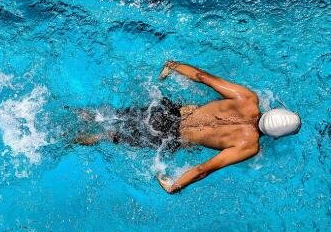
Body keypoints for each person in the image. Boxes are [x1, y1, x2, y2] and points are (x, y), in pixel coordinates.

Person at [74, 60, 301, 193]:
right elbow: (204, 169)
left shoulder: (247, 99)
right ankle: (70, 139)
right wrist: (175, 186)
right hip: (171, 138)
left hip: (167, 112)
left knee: (106, 115)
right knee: (108, 136)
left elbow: (203, 77)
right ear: (276, 136)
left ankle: (73, 112)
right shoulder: (249, 146)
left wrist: (173, 66)